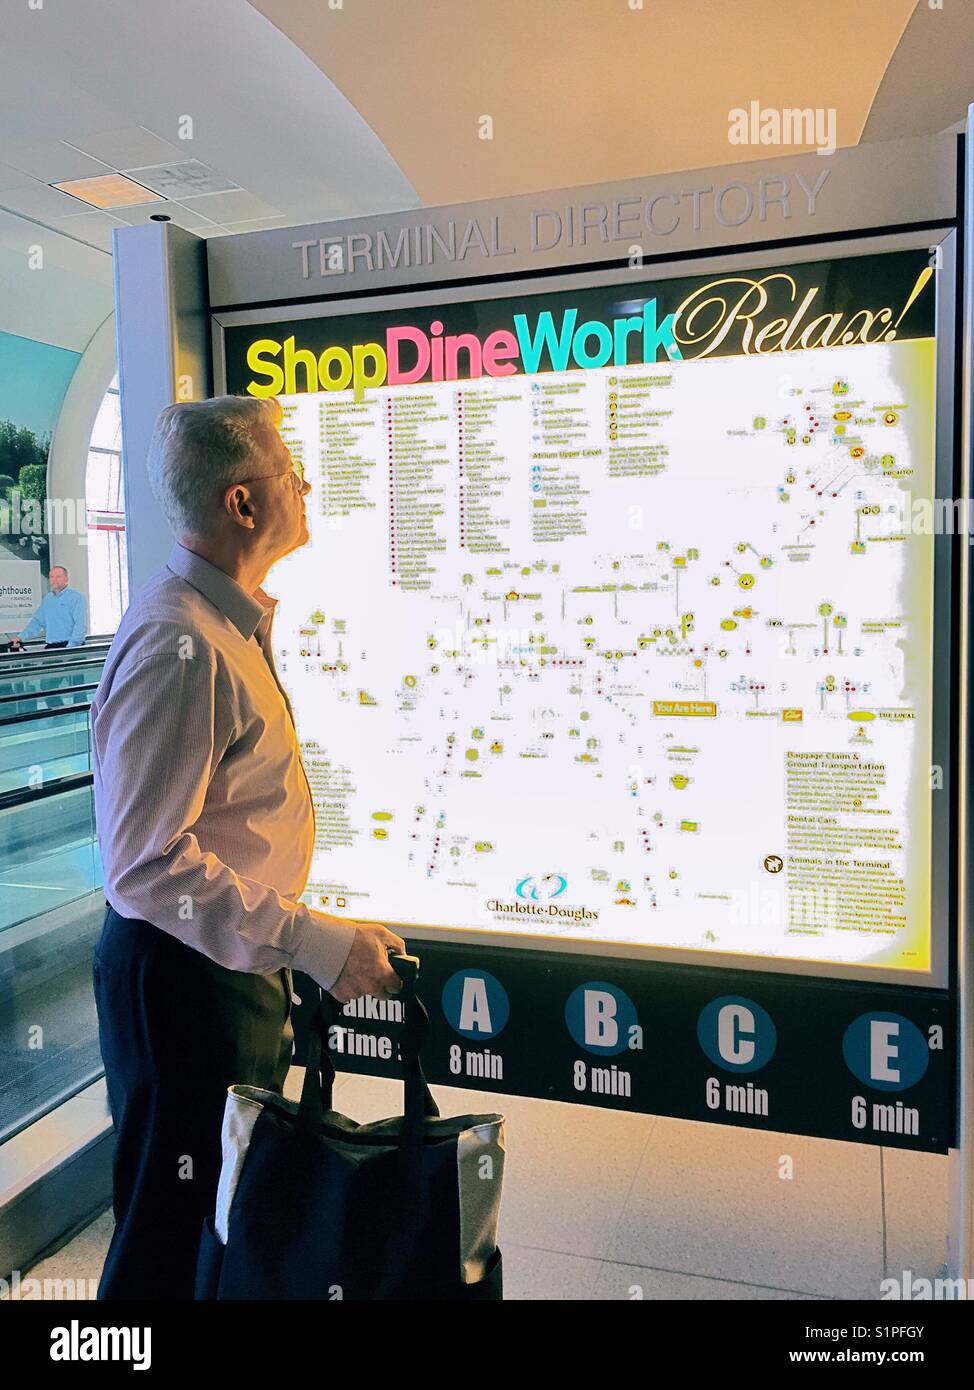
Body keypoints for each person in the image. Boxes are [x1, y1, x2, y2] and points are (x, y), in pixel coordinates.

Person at [91, 395, 405, 1301]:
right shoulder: (180, 645)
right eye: (288, 470)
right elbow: (145, 865)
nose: (303, 486)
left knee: (218, 1216)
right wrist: (314, 942)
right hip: (184, 987)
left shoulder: (223, 627)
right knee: (166, 1229)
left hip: (222, 971)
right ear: (242, 503)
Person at [9, 564, 87, 649]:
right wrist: (20, 637)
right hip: (52, 646)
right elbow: (37, 622)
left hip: (71, 647)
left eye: (58, 577)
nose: (54, 580)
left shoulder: (76, 598)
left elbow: (80, 625)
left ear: (66, 579)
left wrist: (70, 647)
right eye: (51, 577)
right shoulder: (48, 599)